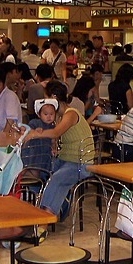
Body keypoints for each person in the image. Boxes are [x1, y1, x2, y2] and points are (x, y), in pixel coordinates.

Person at [23, 82, 95, 217]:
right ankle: (52, 208)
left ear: (54, 97)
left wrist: (35, 134)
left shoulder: (71, 113)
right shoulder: (59, 116)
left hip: (80, 163)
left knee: (56, 179)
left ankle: (44, 220)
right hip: (64, 159)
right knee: (40, 172)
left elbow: (56, 133)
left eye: (46, 97)